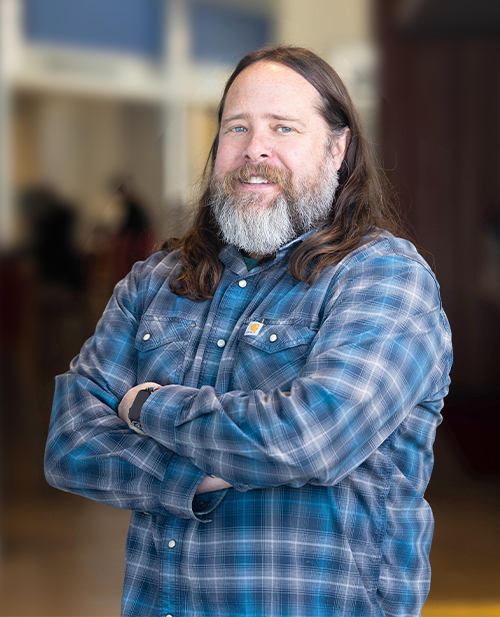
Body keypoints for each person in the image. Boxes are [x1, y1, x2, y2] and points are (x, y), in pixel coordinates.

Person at [45, 46, 452, 617]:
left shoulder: (384, 277)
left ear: (338, 148)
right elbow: (70, 446)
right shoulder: (156, 281)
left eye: (283, 127)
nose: (254, 148)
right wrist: (205, 477)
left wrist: (146, 409)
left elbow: (308, 440)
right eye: (237, 127)